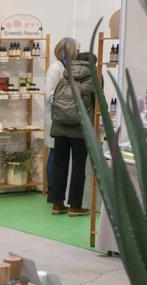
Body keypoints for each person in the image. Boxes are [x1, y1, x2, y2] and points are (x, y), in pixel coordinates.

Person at [43, 38, 96, 216]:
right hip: (79, 129)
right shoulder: (91, 77)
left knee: (60, 165)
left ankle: (57, 204)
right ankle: (75, 205)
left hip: (59, 126)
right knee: (79, 167)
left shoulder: (66, 73)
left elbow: (53, 95)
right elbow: (97, 102)